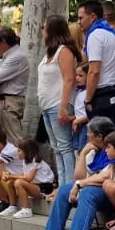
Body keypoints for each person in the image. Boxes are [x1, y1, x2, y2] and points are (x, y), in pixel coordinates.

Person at [31, 117, 115, 230]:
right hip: (93, 188)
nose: (87, 135)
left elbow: (107, 176)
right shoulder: (93, 150)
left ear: (100, 135)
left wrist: (80, 185)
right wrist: (83, 154)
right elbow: (79, 177)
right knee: (65, 189)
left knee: (87, 192)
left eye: (90, 133)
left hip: (112, 195)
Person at [37, 16, 80, 188]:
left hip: (58, 103)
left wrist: (63, 107)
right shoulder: (50, 53)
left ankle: (68, 185)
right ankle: (62, 184)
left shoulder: (64, 51)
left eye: (44, 26)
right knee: (56, 147)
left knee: (64, 146)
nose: (42, 30)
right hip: (47, 105)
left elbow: (69, 79)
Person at [76, 0, 115, 127]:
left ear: (92, 17)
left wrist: (87, 100)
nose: (78, 22)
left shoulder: (95, 35)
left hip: (105, 95)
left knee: (100, 140)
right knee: (111, 141)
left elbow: (94, 71)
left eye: (81, 18)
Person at [0, 27, 29, 145]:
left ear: (4, 42)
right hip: (6, 101)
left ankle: (25, 161)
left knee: (15, 138)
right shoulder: (9, 57)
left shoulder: (16, 57)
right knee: (9, 138)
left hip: (11, 101)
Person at [6, 139, 54, 219]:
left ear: (27, 151)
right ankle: (12, 206)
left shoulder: (35, 160)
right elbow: (24, 174)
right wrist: (10, 176)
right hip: (35, 186)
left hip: (45, 188)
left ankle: (26, 210)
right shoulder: (26, 161)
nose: (17, 153)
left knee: (19, 182)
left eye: (19, 151)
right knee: (10, 182)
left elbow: (28, 178)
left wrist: (12, 176)